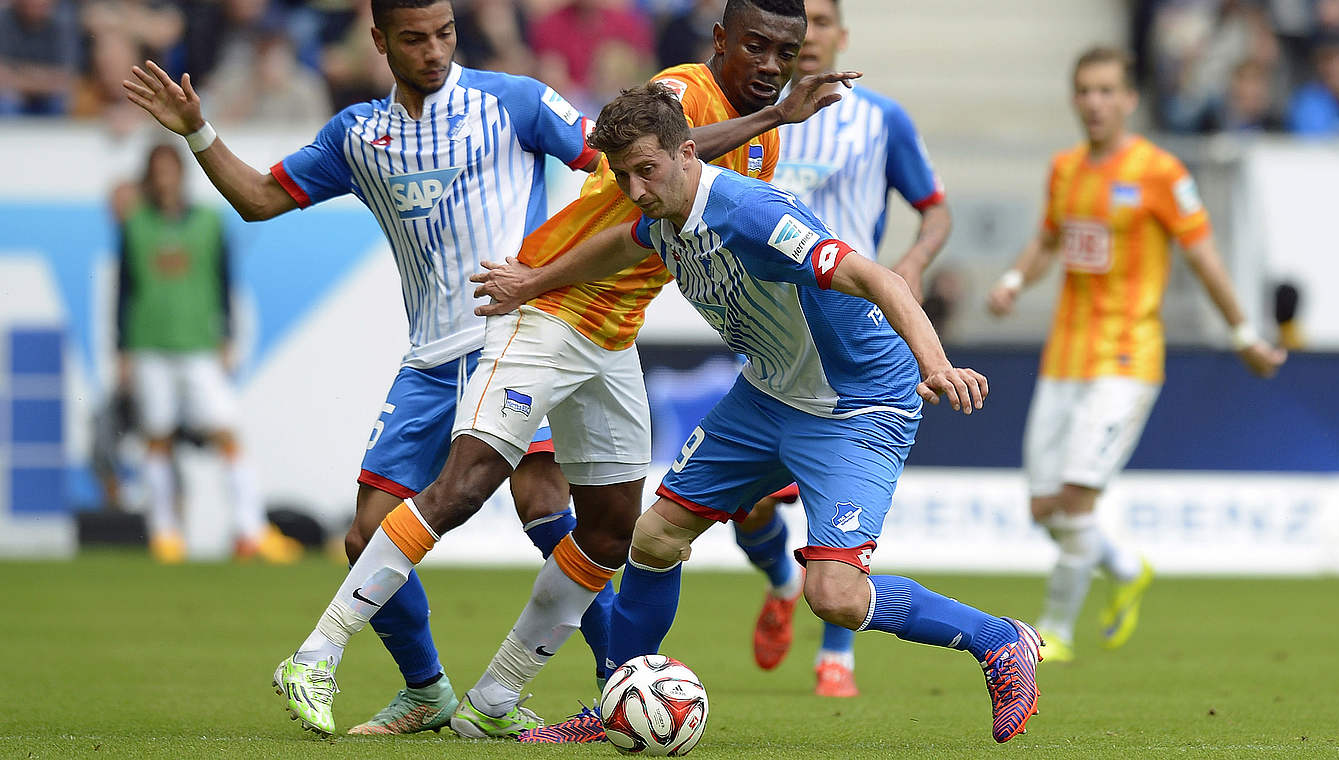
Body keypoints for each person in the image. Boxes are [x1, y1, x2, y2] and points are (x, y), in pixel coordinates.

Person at [249, 0, 856, 739]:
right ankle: (316, 654)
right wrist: (776, 117)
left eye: (783, 53)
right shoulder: (682, 91)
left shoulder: (766, 141)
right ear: (722, 40)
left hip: (612, 336)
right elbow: (646, 146)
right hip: (547, 313)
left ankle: (494, 701)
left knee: (610, 531)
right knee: (464, 486)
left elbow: (669, 234)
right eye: (755, 46)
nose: (769, 65)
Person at [481, 81, 1043, 744]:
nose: (634, 189)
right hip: (770, 394)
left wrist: (936, 365)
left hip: (858, 403)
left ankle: (997, 639)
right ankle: (617, 702)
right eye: (621, 174)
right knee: (654, 539)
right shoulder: (662, 214)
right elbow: (621, 240)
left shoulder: (751, 213)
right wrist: (531, 281)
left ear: (688, 154)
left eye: (647, 171)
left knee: (833, 595)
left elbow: (878, 279)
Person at [124, 0, 606, 736]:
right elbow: (258, 199)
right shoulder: (357, 137)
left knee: (545, 507)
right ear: (379, 41)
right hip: (429, 361)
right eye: (415, 38)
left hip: (515, 341)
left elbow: (617, 165)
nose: (436, 50)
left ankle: (621, 682)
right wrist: (196, 129)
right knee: (367, 534)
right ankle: (427, 692)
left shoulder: (514, 102)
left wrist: (563, 272)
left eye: (445, 33)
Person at [985, 46, 1286, 663]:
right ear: (1075, 98)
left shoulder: (1162, 172)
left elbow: (1204, 258)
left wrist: (1244, 335)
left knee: (1075, 498)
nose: (1094, 103)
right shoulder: (1065, 169)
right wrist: (1015, 281)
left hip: (1127, 356)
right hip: (1065, 355)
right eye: (1085, 91)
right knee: (1044, 508)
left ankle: (1056, 631)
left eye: (1106, 91)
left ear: (1128, 100)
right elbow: (1047, 239)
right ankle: (1125, 566)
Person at [734, 0, 953, 698]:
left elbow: (936, 208)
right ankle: (778, 580)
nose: (813, 35)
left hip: (855, 321)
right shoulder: (758, 114)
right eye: (806, 24)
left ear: (839, 36)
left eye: (824, 21)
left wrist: (912, 262)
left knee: (834, 499)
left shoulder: (881, 118)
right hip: (774, 329)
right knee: (752, 508)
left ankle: (837, 652)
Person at [115, 144, 301, 565]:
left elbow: (222, 282)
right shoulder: (135, 224)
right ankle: (165, 534)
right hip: (150, 342)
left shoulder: (208, 223)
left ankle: (250, 531)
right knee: (157, 438)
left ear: (181, 174)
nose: (164, 179)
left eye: (170, 170)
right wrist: (121, 348)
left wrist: (227, 336)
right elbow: (125, 290)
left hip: (199, 342)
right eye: (157, 171)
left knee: (226, 433)